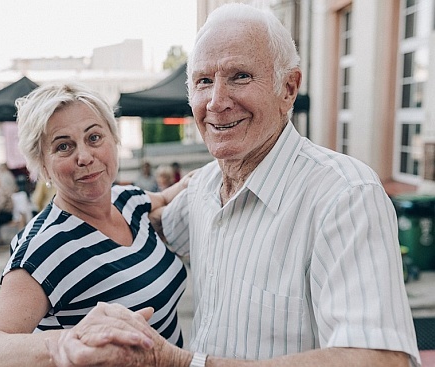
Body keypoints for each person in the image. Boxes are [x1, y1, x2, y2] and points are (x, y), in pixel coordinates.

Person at [45, 4, 421, 367]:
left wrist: (175, 362)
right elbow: (147, 223)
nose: (217, 102)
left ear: (288, 88)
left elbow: (382, 359)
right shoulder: (206, 186)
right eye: (204, 81)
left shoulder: (345, 195)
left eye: (239, 76)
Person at [0, 81, 192, 366]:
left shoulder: (127, 199)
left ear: (114, 140)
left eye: (94, 138)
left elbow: (175, 193)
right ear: (42, 165)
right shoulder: (45, 245)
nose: (84, 156)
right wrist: (70, 341)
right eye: (64, 146)